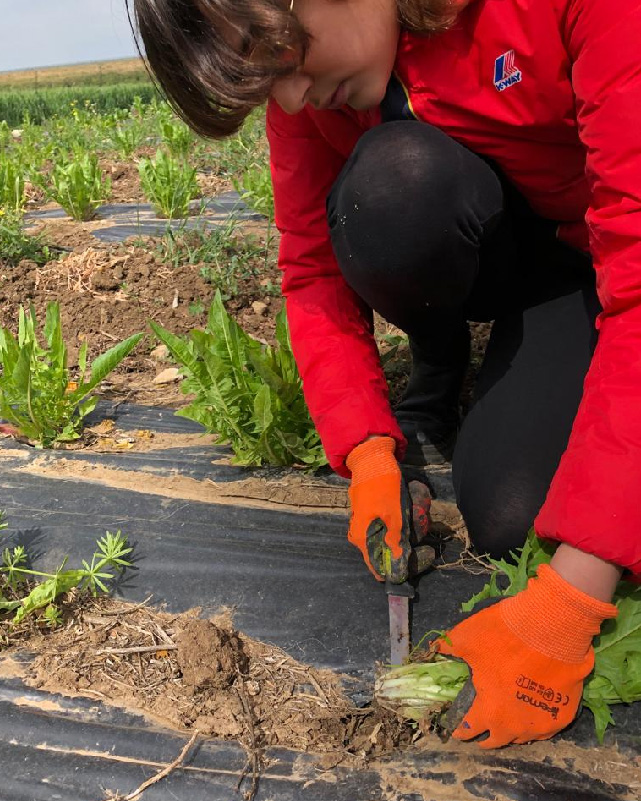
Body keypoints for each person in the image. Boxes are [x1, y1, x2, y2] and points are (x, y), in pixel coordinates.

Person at [127, 0, 641, 747]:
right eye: (263, 82)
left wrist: (568, 605)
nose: (291, 99)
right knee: (395, 192)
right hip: (512, 251)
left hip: (604, 250)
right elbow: (311, 274)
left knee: (517, 515)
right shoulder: (312, 89)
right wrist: (368, 450)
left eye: (280, 53)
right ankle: (441, 352)